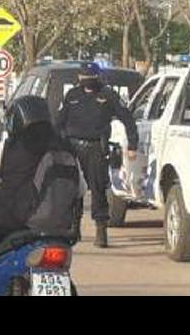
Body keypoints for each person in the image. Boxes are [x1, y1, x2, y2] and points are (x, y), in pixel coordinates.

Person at [0, 95, 86, 296]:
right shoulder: (66, 147)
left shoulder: (11, 145)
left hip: (15, 221)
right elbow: (81, 188)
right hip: (61, 229)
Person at [56, 62, 138, 248]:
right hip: (73, 148)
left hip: (96, 148)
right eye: (84, 77)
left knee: (98, 189)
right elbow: (59, 122)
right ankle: (73, 227)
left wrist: (132, 145)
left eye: (91, 77)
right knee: (73, 189)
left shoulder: (107, 95)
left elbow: (127, 119)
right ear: (79, 78)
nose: (87, 81)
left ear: (97, 77)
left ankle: (101, 230)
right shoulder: (72, 95)